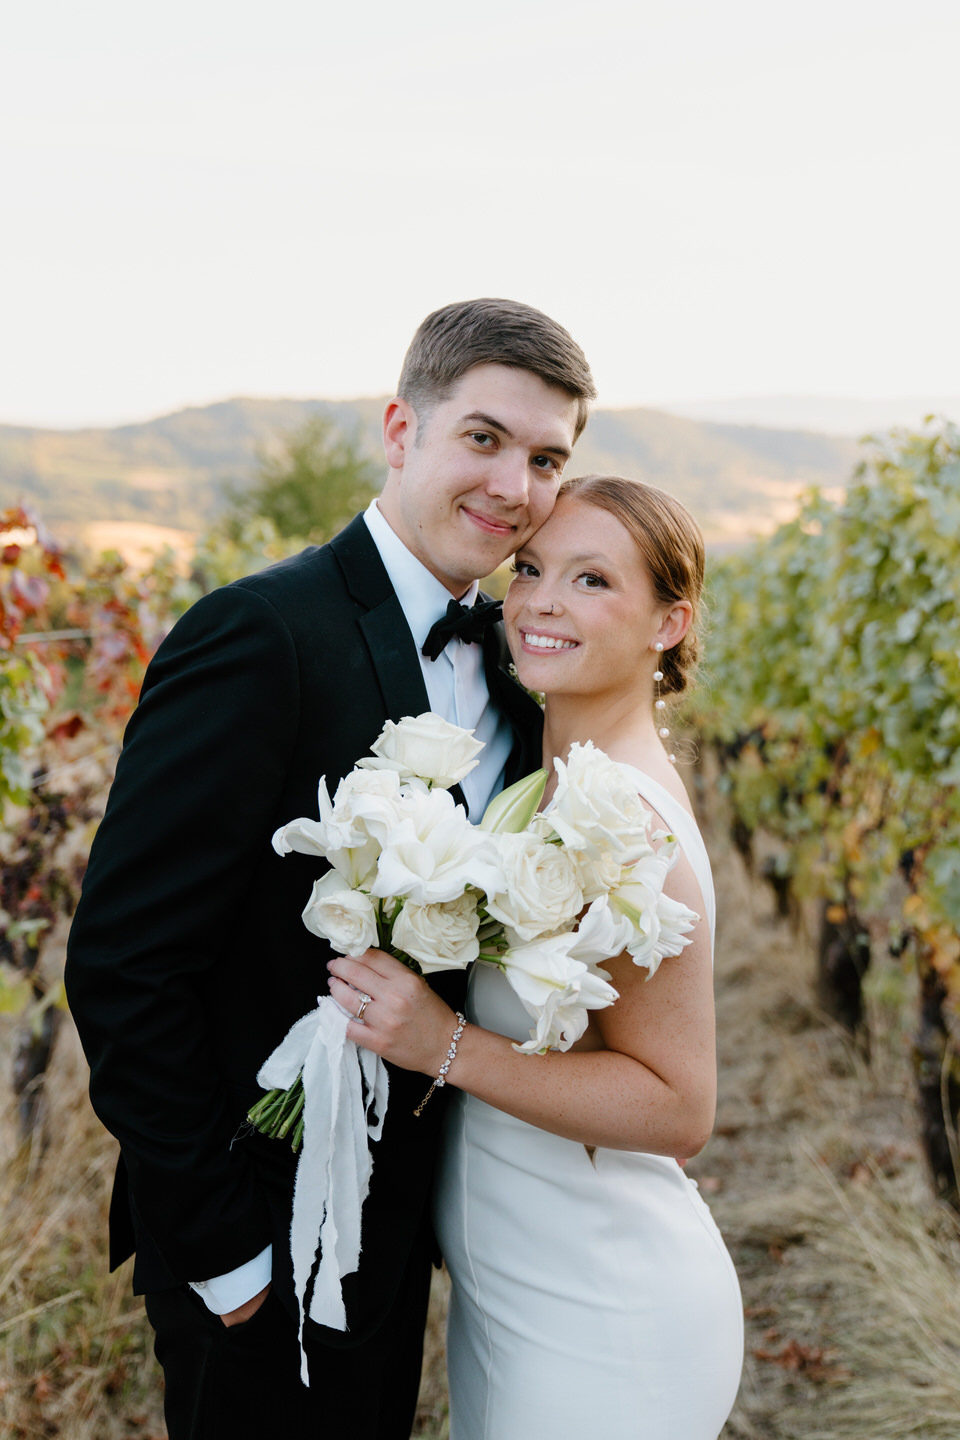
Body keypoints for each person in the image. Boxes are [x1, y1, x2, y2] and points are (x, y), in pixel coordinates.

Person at [64, 298, 596, 1440]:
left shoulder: (516, 670)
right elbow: (123, 964)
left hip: (404, 1230)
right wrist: (223, 1253)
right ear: (402, 430)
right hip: (255, 1232)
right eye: (486, 439)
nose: (516, 485)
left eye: (548, 459)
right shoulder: (260, 633)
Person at [327, 474, 745, 1439]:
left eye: (593, 580)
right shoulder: (544, 787)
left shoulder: (626, 821)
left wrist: (447, 1045)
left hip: (604, 1315)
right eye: (531, 569)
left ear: (669, 623)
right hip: (518, 1295)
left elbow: (682, 1108)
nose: (543, 601)